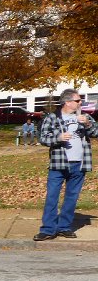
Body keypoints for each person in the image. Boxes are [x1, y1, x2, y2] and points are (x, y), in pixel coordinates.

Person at [33, 89, 98, 241]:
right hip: (59, 163)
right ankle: (48, 229)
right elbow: (43, 138)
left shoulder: (84, 116)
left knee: (72, 197)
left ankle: (64, 227)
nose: (80, 103)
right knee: (52, 197)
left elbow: (95, 132)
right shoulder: (52, 117)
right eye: (78, 100)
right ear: (67, 102)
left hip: (79, 163)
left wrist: (88, 124)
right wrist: (58, 138)